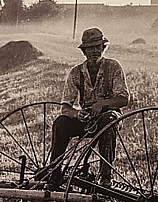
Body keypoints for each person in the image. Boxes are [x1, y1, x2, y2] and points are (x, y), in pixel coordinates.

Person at [48, 27, 130, 187]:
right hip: (86, 121)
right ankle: (54, 173)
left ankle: (105, 176)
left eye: (97, 47)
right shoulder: (76, 73)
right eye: (89, 49)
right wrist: (77, 114)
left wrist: (102, 105)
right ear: (84, 52)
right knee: (61, 123)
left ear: (103, 48)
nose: (93, 52)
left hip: (107, 119)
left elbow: (123, 98)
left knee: (109, 119)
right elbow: (65, 107)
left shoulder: (113, 67)